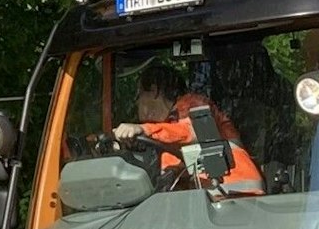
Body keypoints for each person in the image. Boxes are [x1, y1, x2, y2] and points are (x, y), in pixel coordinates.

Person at [112, 70, 264, 196]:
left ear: (153, 90)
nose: (137, 103)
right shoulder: (165, 130)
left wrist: (144, 129)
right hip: (207, 199)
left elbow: (191, 131)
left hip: (239, 193)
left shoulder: (193, 104)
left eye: (139, 96)